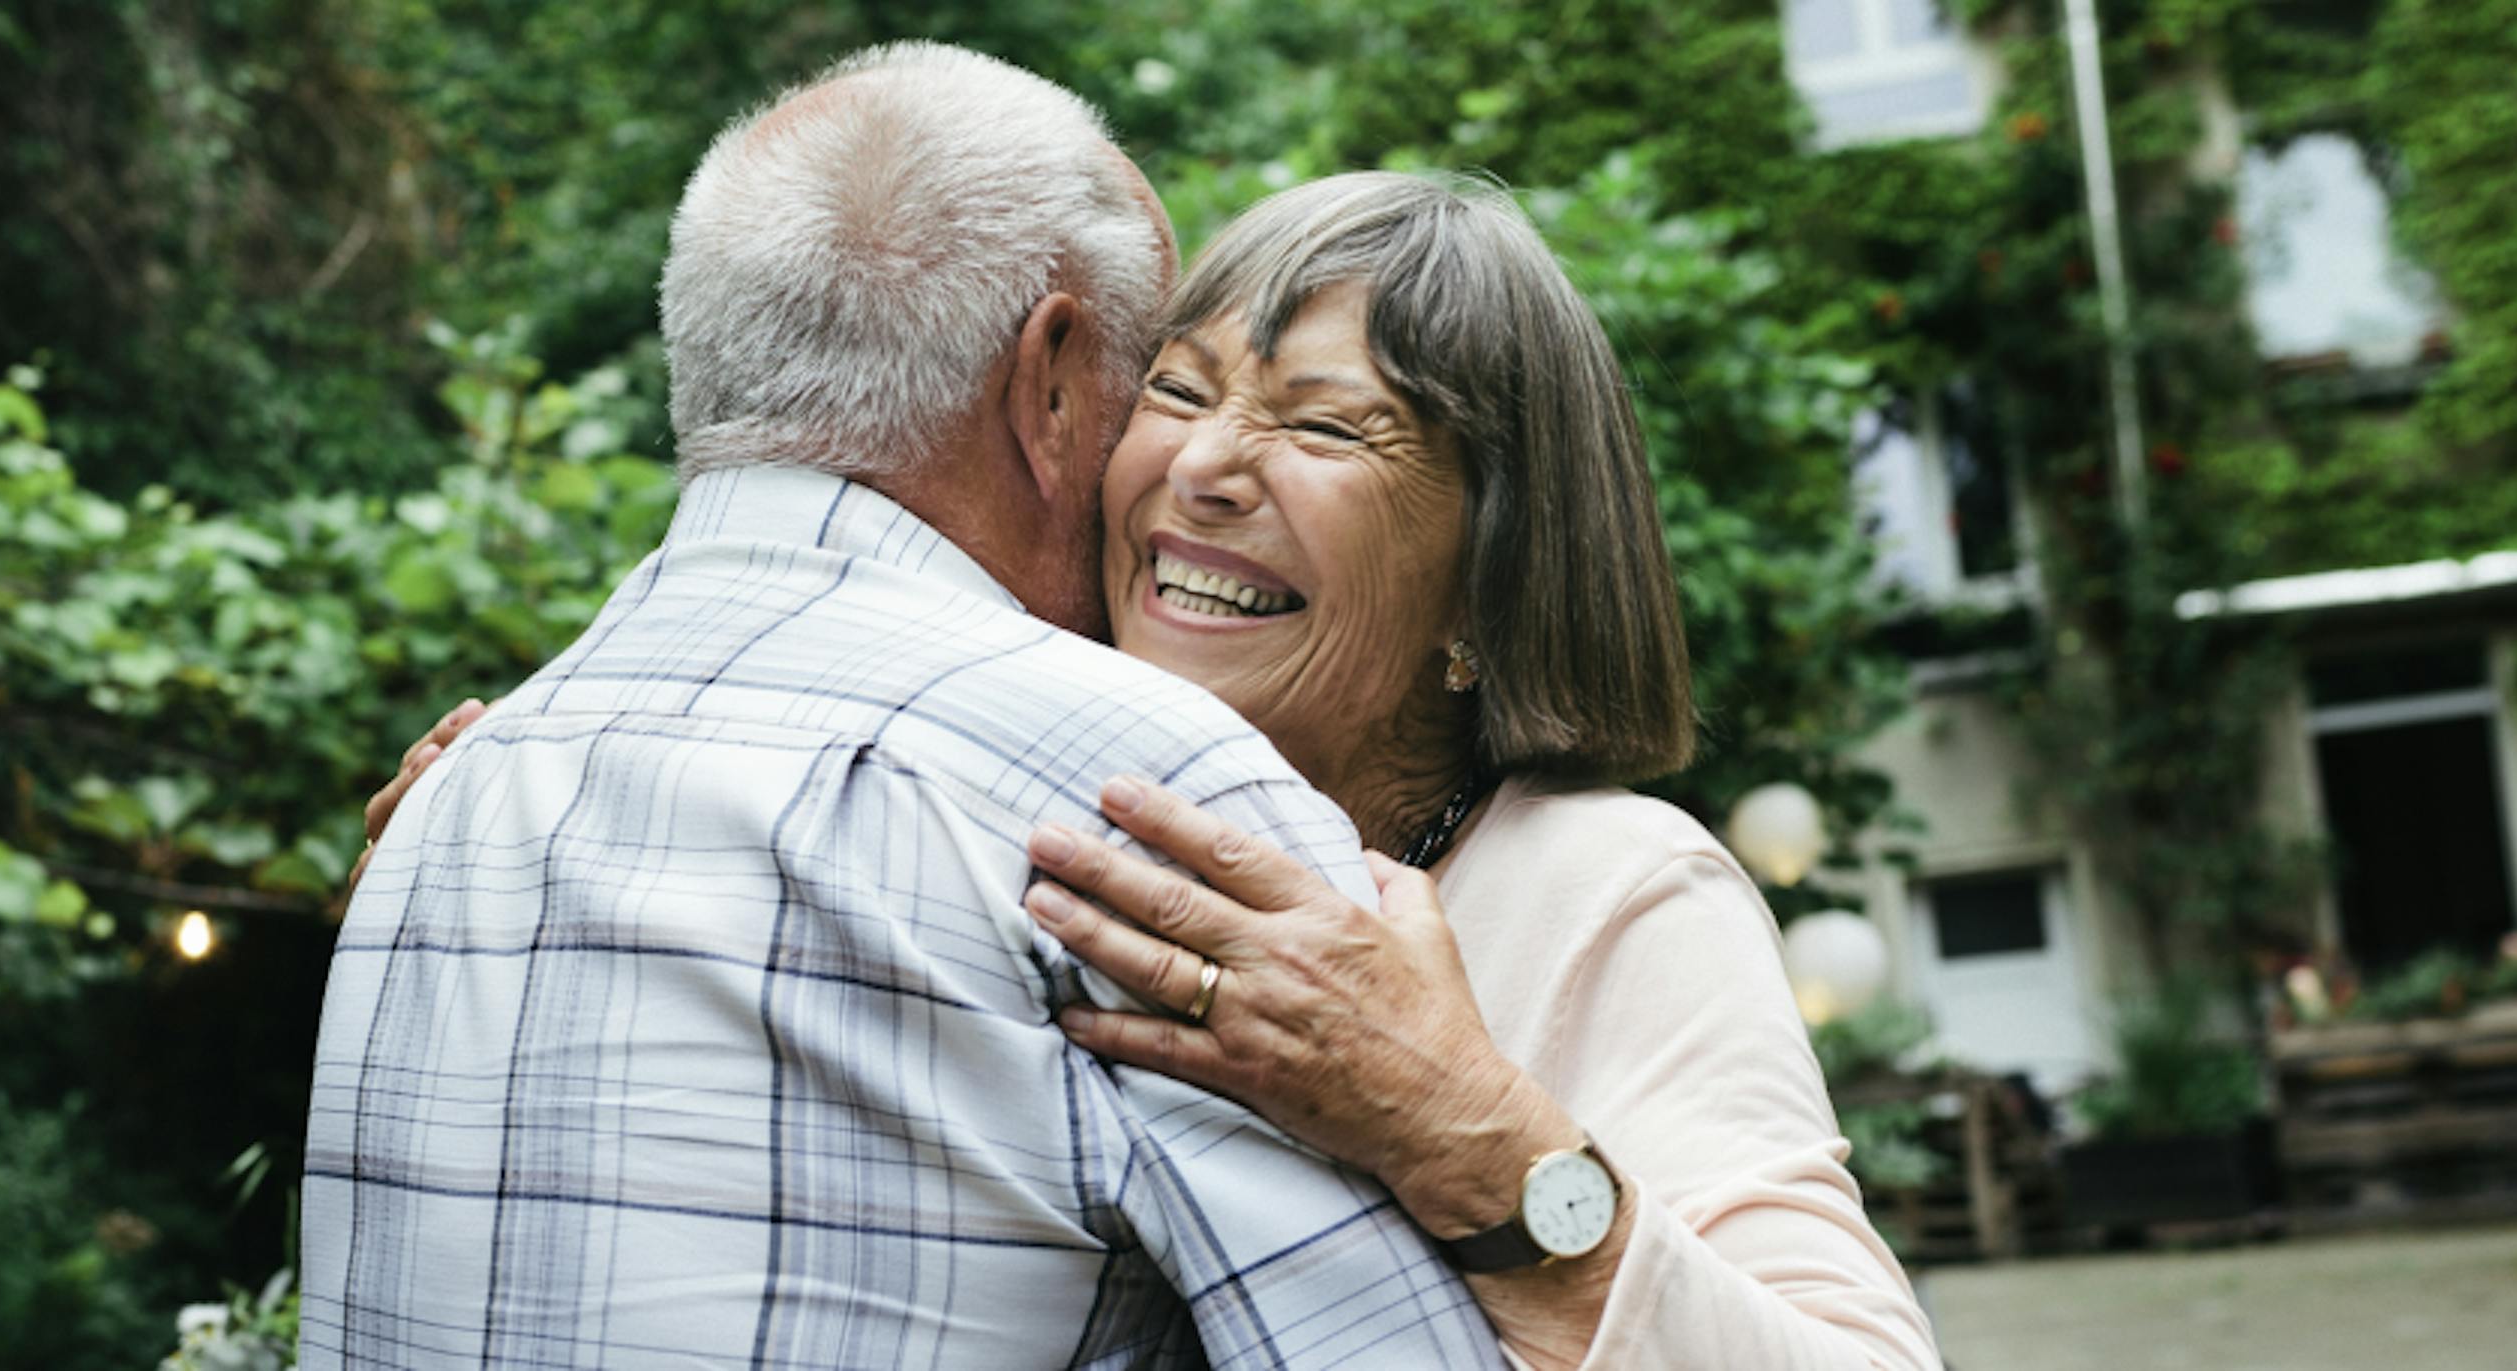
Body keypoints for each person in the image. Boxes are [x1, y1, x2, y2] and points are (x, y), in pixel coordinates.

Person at [363, 172, 1941, 1369]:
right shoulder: (993, 820)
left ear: (1483, 590)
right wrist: (500, 863)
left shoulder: (1607, 888)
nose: (1205, 466)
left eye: (1326, 428)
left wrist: (1463, 1131)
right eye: (1176, 391)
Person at [297, 44, 1499, 1370]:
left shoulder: (447, 800)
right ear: (1049, 382)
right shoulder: (1125, 788)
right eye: (1157, 380)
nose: (1182, 468)